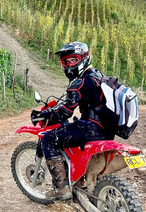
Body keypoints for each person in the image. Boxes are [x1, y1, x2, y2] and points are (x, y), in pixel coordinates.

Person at [32, 41, 114, 200]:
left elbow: (65, 112)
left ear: (83, 58)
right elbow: (74, 100)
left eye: (73, 60)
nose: (69, 65)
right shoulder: (98, 75)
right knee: (69, 131)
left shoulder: (80, 82)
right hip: (106, 130)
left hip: (90, 130)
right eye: (66, 61)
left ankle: (61, 188)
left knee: (48, 139)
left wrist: (47, 115)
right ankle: (79, 178)